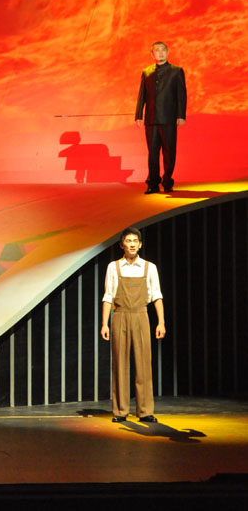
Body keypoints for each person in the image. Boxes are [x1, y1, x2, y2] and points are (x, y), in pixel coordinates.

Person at [100, 227, 165, 423]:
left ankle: (145, 411)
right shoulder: (113, 267)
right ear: (122, 245)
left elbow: (157, 296)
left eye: (135, 241)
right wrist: (104, 324)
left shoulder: (149, 267)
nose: (132, 244)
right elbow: (108, 297)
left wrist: (161, 322)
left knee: (144, 363)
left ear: (140, 244)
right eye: (128, 241)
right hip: (120, 316)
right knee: (120, 363)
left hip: (141, 315)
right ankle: (120, 411)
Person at [135, 41, 187, 193]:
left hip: (168, 118)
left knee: (169, 152)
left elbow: (181, 95)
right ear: (152, 54)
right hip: (151, 119)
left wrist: (181, 115)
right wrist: (139, 115)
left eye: (163, 50)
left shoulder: (176, 71)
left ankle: (167, 181)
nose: (161, 53)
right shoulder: (146, 72)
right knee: (152, 153)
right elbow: (142, 95)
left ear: (167, 52)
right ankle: (153, 183)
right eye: (157, 50)